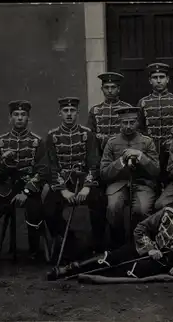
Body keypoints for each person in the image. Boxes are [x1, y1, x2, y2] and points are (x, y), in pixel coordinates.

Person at [47, 190, 173, 280]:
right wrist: (149, 247)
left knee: (131, 270)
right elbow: (140, 228)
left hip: (162, 262)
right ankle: (69, 269)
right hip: (146, 247)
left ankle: (84, 275)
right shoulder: (167, 213)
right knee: (110, 257)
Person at [0, 100, 47, 278]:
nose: (19, 118)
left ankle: (34, 251)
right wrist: (2, 161)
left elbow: (43, 171)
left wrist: (27, 191)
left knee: (35, 211)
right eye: (16, 115)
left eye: (23, 115)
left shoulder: (37, 141)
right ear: (10, 118)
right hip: (6, 186)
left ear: (28, 118)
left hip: (28, 185)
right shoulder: (1, 141)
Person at [43, 97, 107, 256]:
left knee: (100, 202)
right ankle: (70, 240)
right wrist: (63, 190)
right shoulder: (52, 136)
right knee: (48, 209)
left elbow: (94, 163)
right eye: (66, 111)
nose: (69, 114)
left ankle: (96, 245)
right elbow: (51, 166)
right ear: (60, 113)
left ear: (77, 113)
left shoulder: (87, 134)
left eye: (72, 111)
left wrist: (86, 187)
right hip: (63, 183)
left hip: (85, 182)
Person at [100, 106, 160, 247]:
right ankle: (118, 244)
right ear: (119, 123)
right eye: (124, 123)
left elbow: (156, 170)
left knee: (143, 209)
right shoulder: (112, 142)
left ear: (138, 122)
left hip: (142, 183)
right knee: (113, 207)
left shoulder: (147, 142)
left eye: (132, 122)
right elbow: (103, 173)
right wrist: (121, 161)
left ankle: (140, 243)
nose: (128, 126)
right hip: (118, 183)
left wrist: (141, 156)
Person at [137, 62, 173, 190]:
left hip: (172, 152)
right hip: (151, 152)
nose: (159, 81)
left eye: (162, 77)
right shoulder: (143, 103)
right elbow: (139, 128)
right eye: (155, 77)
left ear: (167, 79)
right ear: (150, 80)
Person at [87, 72, 133, 153]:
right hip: (101, 150)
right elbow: (91, 134)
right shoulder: (95, 110)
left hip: (122, 150)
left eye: (113, 87)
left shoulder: (127, 108)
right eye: (106, 87)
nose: (110, 91)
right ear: (102, 89)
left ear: (118, 89)